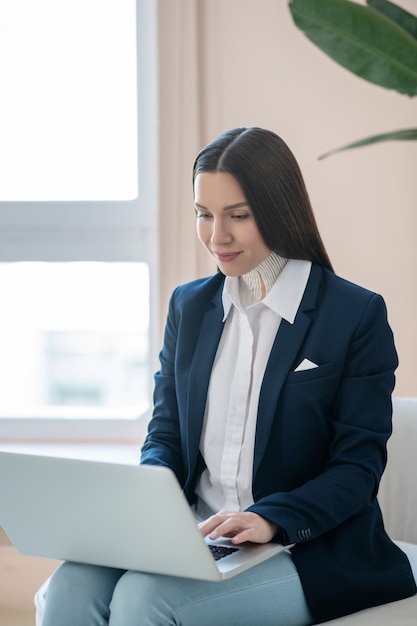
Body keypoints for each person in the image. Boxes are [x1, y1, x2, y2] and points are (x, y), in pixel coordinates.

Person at [42, 127, 416, 625]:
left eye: (237, 216)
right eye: (203, 214)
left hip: (303, 549)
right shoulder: (190, 305)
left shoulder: (354, 315)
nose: (216, 235)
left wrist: (269, 518)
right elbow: (167, 434)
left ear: (279, 209)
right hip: (195, 537)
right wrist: (147, 504)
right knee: (71, 584)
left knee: (144, 599)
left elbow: (357, 469)